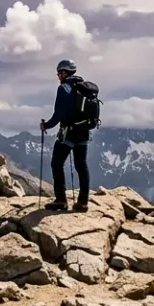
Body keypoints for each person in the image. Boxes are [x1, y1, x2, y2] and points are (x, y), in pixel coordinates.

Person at [40, 59, 92, 211]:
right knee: (81, 165)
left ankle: (61, 200)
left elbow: (58, 114)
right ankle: (83, 202)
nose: (58, 76)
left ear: (64, 72)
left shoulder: (64, 88)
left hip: (68, 132)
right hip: (84, 131)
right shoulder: (83, 88)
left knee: (57, 163)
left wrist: (46, 125)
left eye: (59, 73)